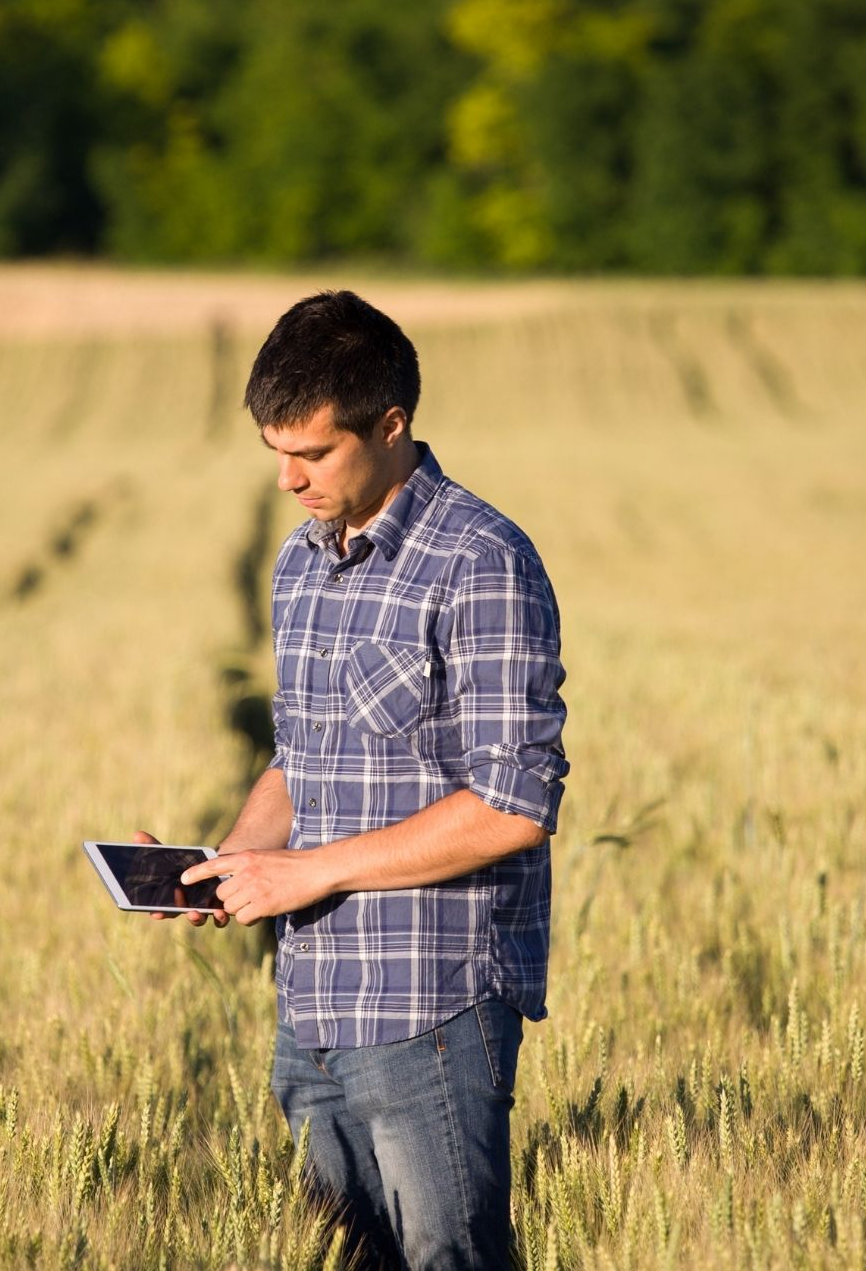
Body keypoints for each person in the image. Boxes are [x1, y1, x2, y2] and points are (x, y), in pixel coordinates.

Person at [139, 290, 569, 1271]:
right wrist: (243, 854)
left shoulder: (481, 561)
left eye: (314, 453)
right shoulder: (303, 563)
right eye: (275, 454)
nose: (288, 480)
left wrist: (314, 872)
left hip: (430, 1008)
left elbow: (515, 805)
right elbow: (306, 751)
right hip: (314, 1006)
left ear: (391, 425)